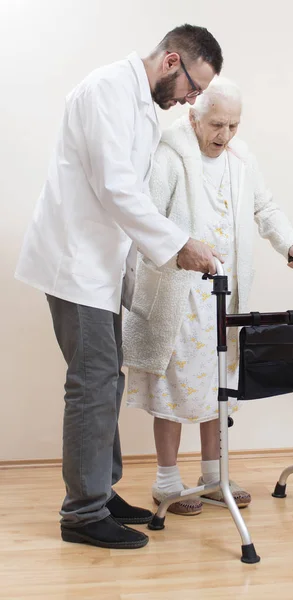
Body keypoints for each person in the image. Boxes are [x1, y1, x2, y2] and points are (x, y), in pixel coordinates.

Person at [15, 25, 224, 549]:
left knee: (107, 380)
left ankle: (100, 493)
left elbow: (133, 196)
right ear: (171, 59)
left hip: (100, 268)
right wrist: (180, 246)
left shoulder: (142, 107)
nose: (190, 102)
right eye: (193, 89)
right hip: (74, 262)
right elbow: (114, 187)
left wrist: (173, 244)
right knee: (92, 382)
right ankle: (82, 514)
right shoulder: (105, 89)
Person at [123, 77, 293, 516]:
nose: (223, 135)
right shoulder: (167, 155)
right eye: (215, 125)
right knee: (172, 385)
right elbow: (145, 218)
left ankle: (213, 475)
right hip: (177, 293)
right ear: (192, 118)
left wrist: (291, 244)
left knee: (218, 385)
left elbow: (265, 208)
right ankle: (167, 479)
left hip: (225, 295)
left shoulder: (242, 160)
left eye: (233, 125)